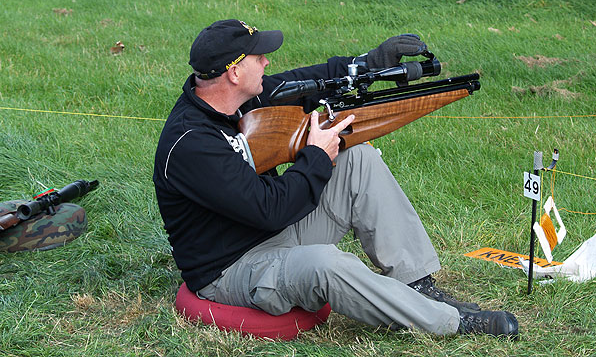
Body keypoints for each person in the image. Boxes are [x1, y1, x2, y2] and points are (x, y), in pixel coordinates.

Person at [153, 19, 518, 338]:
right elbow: (270, 210)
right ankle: (450, 322)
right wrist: (315, 155)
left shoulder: (240, 99)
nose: (267, 62)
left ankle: (418, 284)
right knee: (327, 263)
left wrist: (370, 63)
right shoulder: (191, 143)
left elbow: (307, 81)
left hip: (273, 236)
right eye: (258, 56)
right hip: (233, 269)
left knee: (356, 156)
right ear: (234, 73)